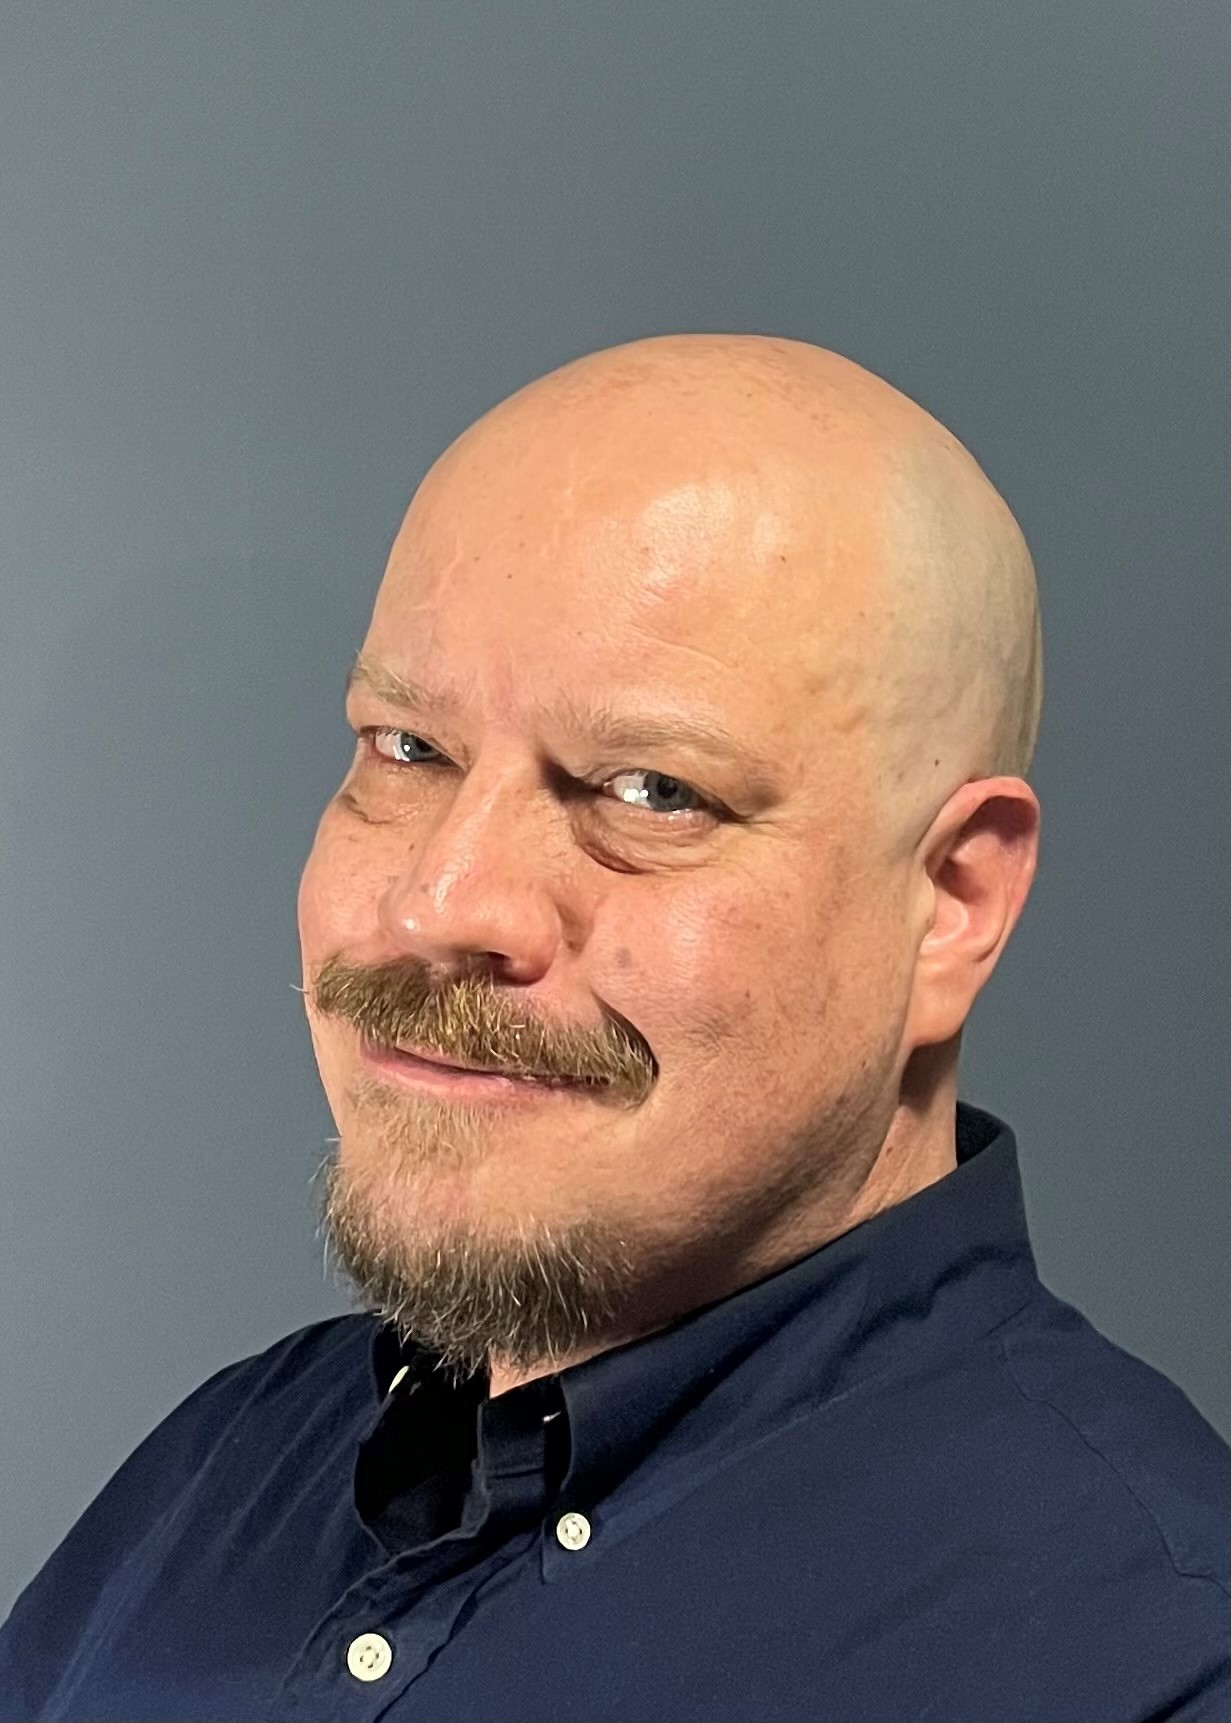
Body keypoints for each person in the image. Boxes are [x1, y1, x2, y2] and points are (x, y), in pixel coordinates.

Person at [1, 334, 1226, 1723]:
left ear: (951, 902)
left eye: (649, 791)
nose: (440, 904)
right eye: (408, 749)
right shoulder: (219, 1472)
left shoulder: (1152, 1660)